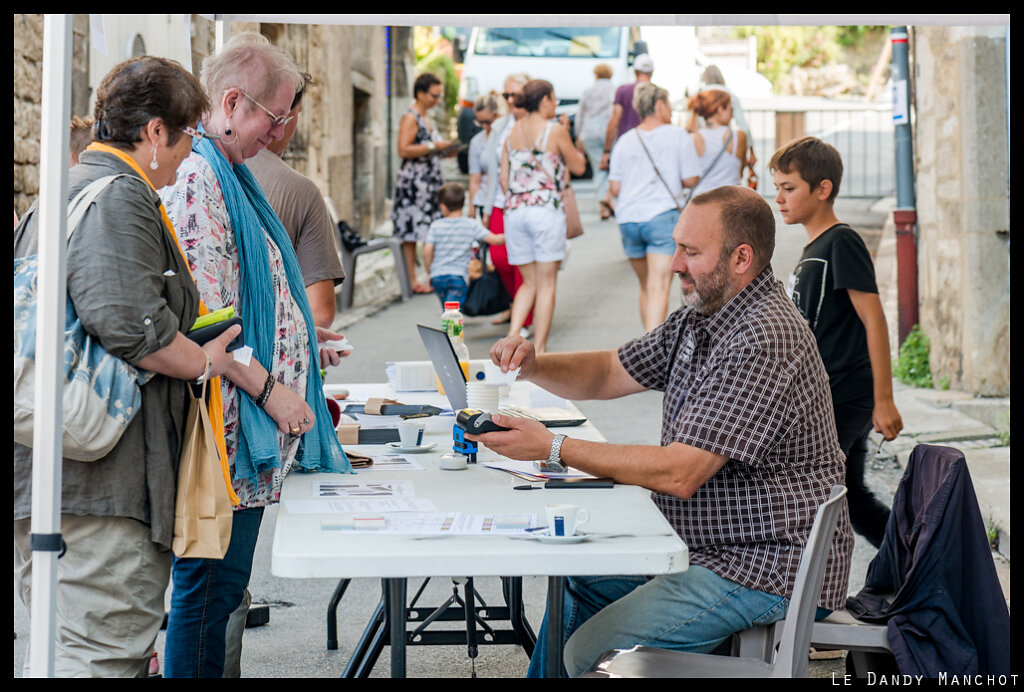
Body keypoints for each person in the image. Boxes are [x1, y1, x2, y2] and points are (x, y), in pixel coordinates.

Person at [469, 185, 853, 678]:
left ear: (742, 258)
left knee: (583, 650)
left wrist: (554, 446)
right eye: (677, 246)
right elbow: (612, 370)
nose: (673, 263)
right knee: (576, 577)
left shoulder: (764, 335)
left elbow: (680, 473)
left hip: (763, 565)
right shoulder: (707, 313)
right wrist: (536, 365)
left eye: (690, 252)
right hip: (706, 545)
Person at [14, 56, 239, 678]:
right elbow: (126, 321)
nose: (192, 150)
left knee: (65, 648)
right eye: (191, 133)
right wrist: (203, 362)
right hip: (102, 485)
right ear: (156, 131)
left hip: (62, 479)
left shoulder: (62, 192)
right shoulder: (120, 195)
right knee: (99, 656)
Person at [160, 32, 350, 678]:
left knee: (220, 592)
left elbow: (250, 296)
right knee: (209, 594)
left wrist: (301, 339)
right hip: (225, 428)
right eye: (276, 117)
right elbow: (211, 325)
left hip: (239, 430)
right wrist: (274, 388)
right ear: (233, 103)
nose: (281, 131)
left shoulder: (227, 173)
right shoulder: (200, 179)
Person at [771, 136, 903, 548]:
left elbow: (874, 319)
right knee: (850, 496)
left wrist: (884, 400)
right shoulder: (814, 247)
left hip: (847, 392)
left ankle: (813, 589)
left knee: (816, 492)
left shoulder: (841, 242)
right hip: (825, 395)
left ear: (822, 189)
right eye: (777, 188)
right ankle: (915, 570)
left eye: (788, 188)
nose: (779, 198)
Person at [247, 72, 346, 339]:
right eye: (294, 113)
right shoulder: (300, 190)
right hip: (270, 364)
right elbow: (321, 313)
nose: (284, 129)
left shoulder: (193, 165)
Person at [499, 79, 586, 354]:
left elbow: (504, 178)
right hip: (545, 210)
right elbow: (579, 167)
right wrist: (573, 140)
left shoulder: (512, 131)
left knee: (528, 283)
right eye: (554, 98)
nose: (556, 103)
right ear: (545, 100)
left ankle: (511, 340)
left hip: (515, 212)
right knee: (547, 283)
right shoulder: (555, 130)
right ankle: (540, 349)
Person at [608, 82, 700, 332]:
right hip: (661, 217)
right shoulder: (677, 135)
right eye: (669, 105)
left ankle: (646, 345)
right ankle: (653, 355)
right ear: (659, 105)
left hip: (628, 220)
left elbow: (615, 187)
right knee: (659, 287)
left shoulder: (625, 140)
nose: (670, 110)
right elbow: (691, 179)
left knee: (646, 286)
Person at [391, 72, 457, 294]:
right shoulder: (411, 117)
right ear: (420, 93)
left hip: (429, 184)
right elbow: (403, 148)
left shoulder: (427, 117)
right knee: (410, 232)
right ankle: (412, 281)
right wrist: (433, 147)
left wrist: (445, 152)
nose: (437, 100)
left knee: (429, 229)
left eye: (439, 96)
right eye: (434, 95)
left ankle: (430, 277)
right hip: (414, 184)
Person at [482, 73, 531, 327]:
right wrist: (486, 205)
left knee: (523, 260)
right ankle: (515, 305)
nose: (511, 100)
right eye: (507, 95)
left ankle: (524, 318)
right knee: (500, 257)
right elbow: (491, 170)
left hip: (527, 204)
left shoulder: (538, 123)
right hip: (501, 202)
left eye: (517, 94)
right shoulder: (501, 126)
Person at [424, 182, 505, 306]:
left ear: (443, 207)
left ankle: (449, 324)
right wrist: (512, 235)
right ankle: (451, 325)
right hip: (458, 276)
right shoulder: (471, 225)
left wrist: (429, 271)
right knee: (452, 311)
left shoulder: (436, 226)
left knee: (448, 308)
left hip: (437, 276)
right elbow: (495, 240)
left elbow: (428, 250)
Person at [599, 53, 655, 216]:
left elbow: (615, 120)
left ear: (635, 71)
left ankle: (609, 200)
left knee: (622, 177)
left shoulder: (623, 90)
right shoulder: (657, 92)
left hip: (625, 142)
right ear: (652, 72)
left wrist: (607, 150)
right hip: (650, 143)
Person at [694, 64, 757, 178]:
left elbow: (693, 123)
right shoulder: (730, 95)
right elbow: (743, 126)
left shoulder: (700, 95)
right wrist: (751, 151)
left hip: (701, 143)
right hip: (727, 142)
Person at [574, 63, 616, 219]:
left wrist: (578, 136)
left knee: (599, 168)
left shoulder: (588, 91)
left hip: (589, 132)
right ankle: (607, 198)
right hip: (608, 131)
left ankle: (602, 205)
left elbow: (580, 115)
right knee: (612, 167)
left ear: (596, 74)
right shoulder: (614, 89)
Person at [687, 89, 747, 196]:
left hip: (701, 200)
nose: (732, 115)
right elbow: (740, 173)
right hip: (730, 202)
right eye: (730, 110)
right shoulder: (738, 137)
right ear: (720, 109)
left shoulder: (693, 138)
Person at [467, 92, 500, 219]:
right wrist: (471, 211)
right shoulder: (477, 141)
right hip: (484, 199)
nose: (484, 126)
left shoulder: (506, 136)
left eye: (488, 121)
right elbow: (475, 179)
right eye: (480, 122)